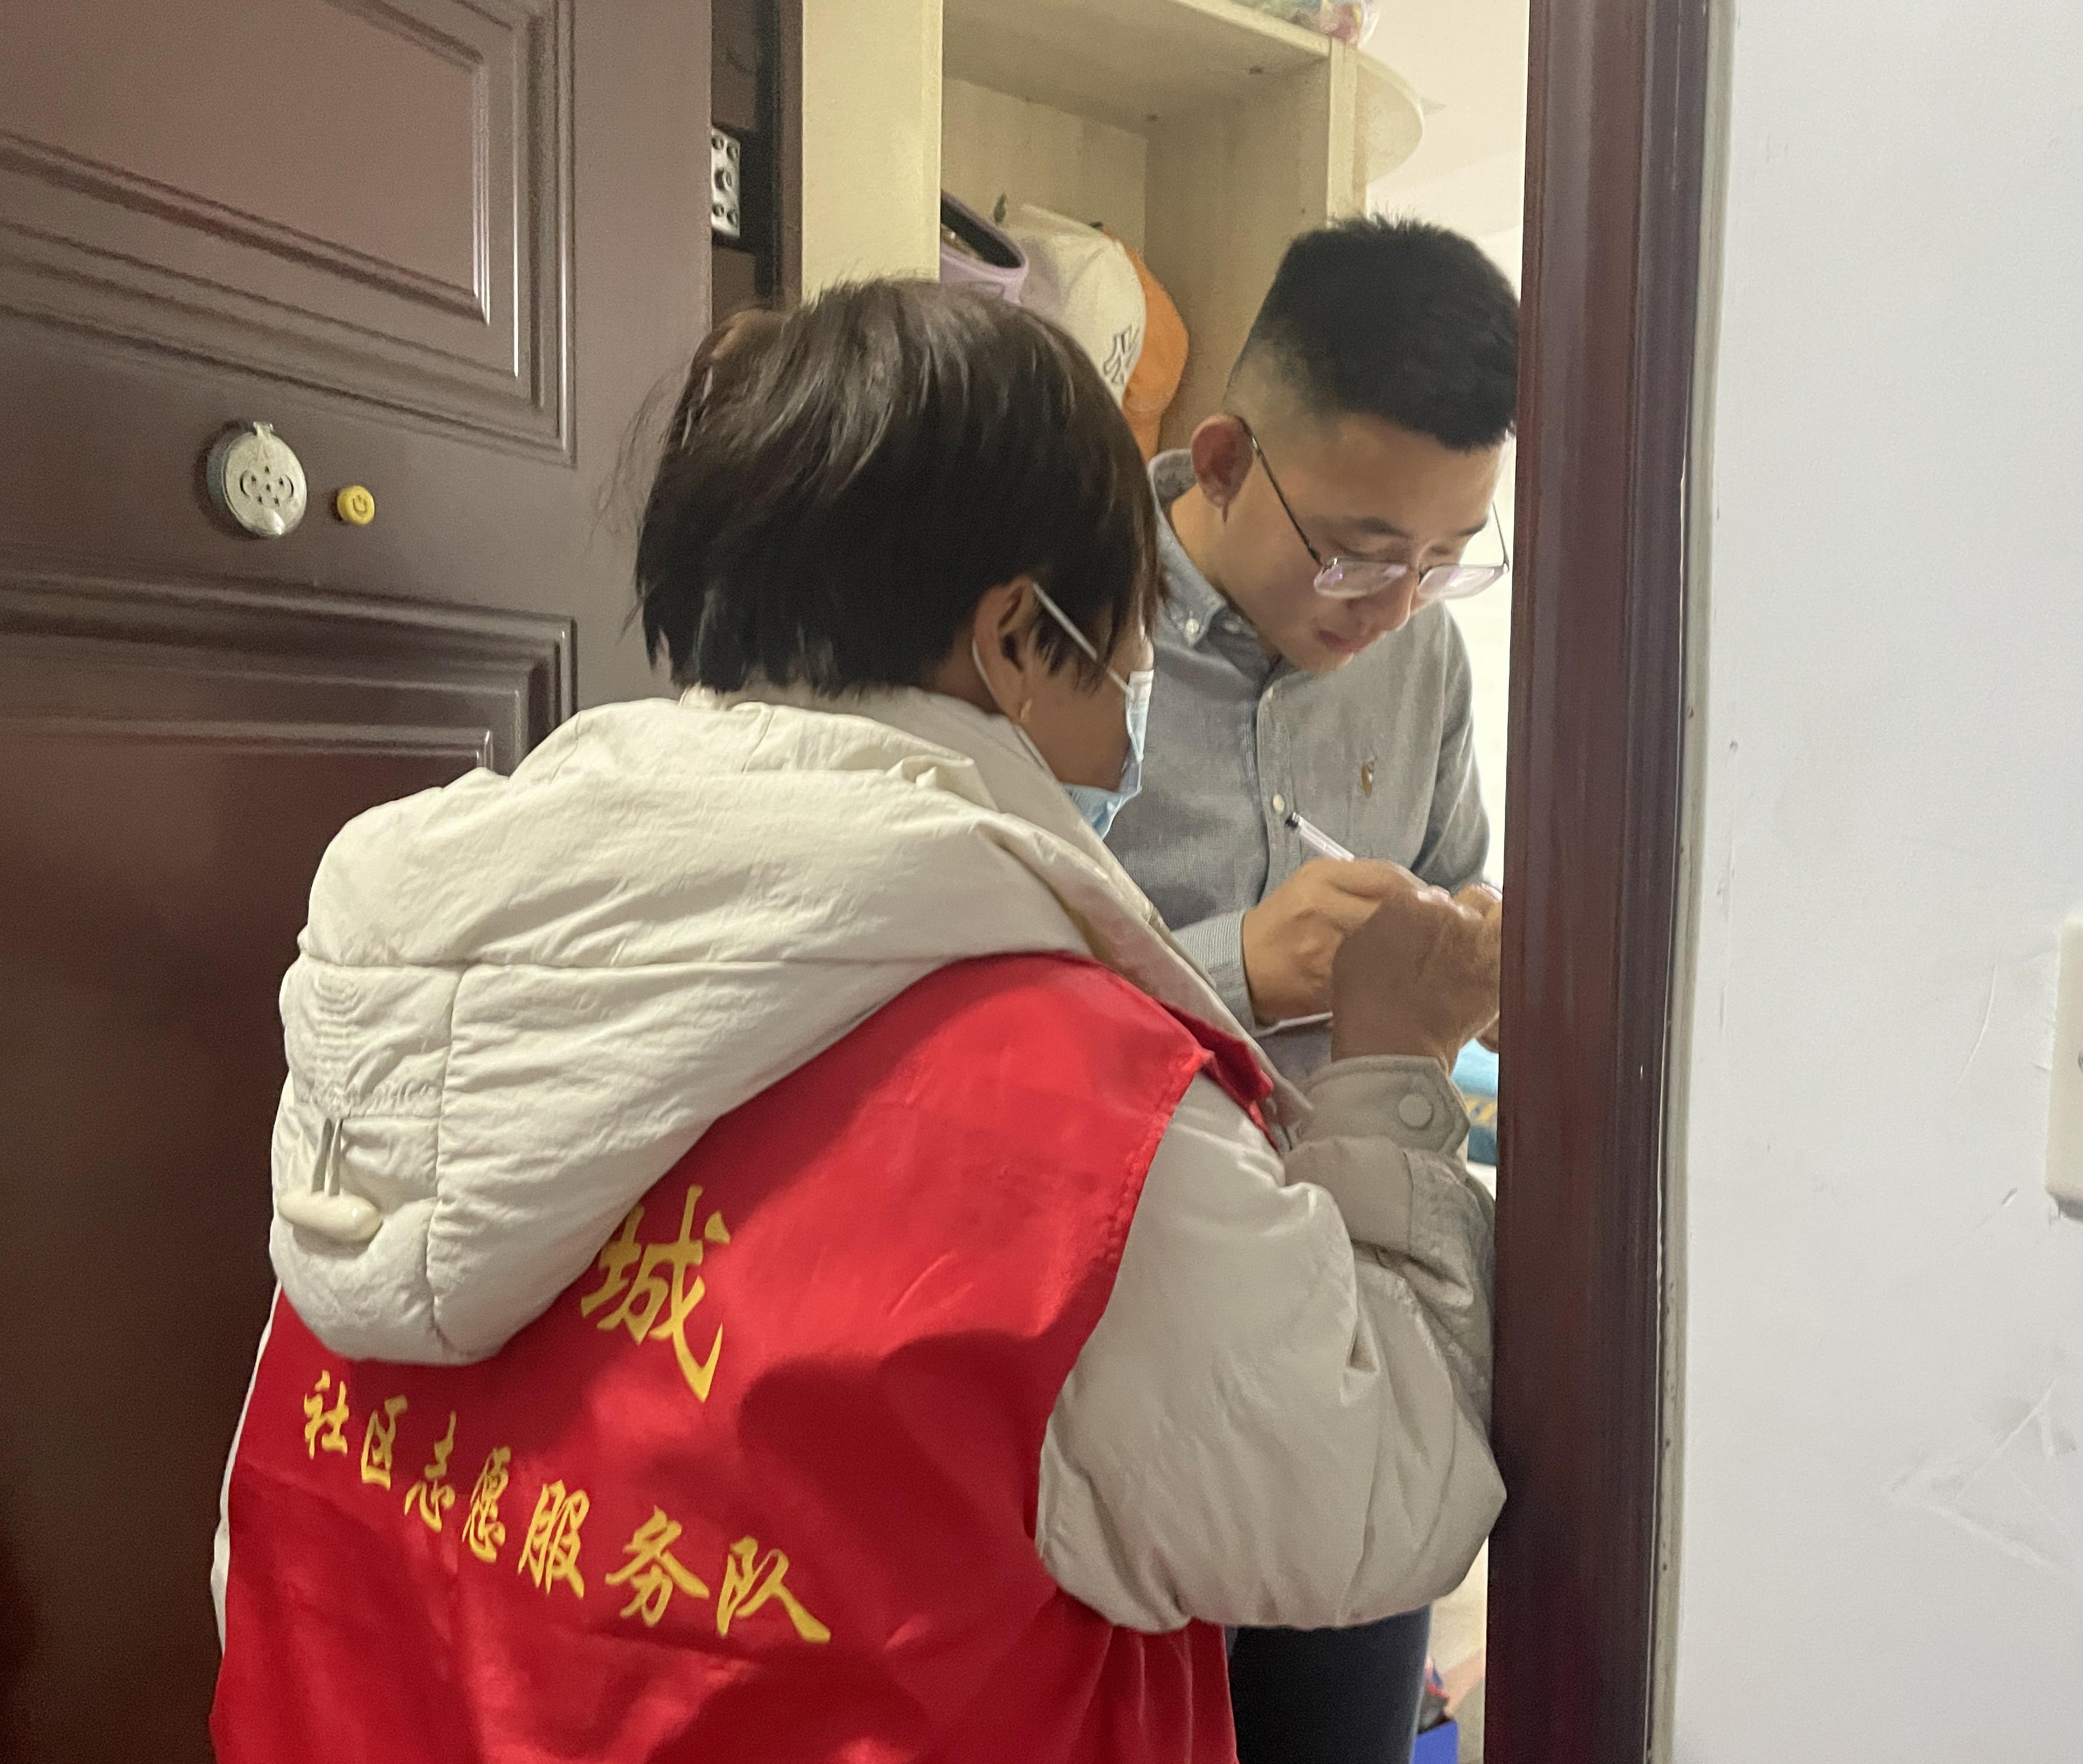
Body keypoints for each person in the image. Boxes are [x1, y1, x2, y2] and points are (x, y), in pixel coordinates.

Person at [206, 281, 1504, 1764]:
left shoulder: (436, 969)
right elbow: (1382, 1499)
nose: (1136, 692)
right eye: (1128, 638)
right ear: (1018, 638)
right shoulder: (1081, 1117)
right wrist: (1398, 1067)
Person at [1104, 215, 1520, 1764]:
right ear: (1222, 459)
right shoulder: (1068, 616)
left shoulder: (1424, 662)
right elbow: (959, 976)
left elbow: (1459, 889)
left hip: (1349, 1307)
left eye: (1447, 557)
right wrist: (1234, 967)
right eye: (1358, 549)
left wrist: (1468, 975)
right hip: (1121, 1326)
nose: (1394, 604)